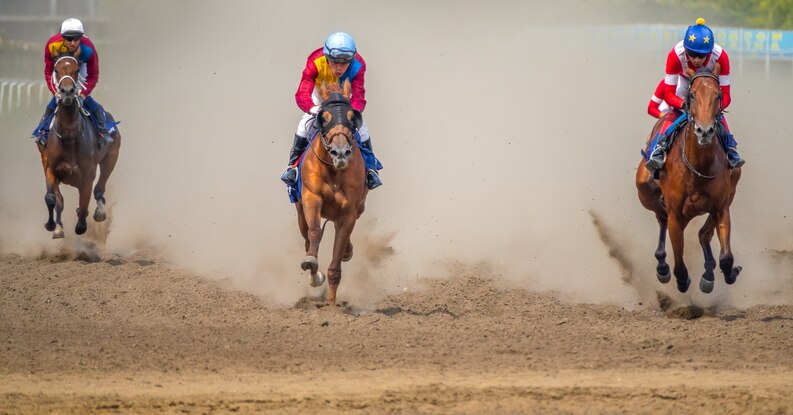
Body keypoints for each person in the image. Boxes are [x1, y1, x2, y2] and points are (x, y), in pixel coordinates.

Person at [280, 32, 382, 190]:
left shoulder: (358, 65)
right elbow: (302, 92)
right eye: (334, 62)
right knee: (304, 124)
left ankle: (371, 170)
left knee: (362, 129)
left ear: (351, 59)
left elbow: (359, 95)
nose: (339, 67)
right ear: (327, 56)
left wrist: (351, 112)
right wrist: (312, 108)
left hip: (344, 97)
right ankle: (292, 168)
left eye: (344, 62)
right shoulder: (315, 61)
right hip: (320, 95)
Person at [645, 18, 745, 171]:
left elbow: (726, 95)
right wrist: (684, 104)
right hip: (684, 80)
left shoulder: (721, 57)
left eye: (702, 56)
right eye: (692, 54)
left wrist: (713, 108)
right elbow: (668, 94)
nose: (696, 60)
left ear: (710, 52)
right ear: (685, 50)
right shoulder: (675, 54)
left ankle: (731, 148)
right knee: (675, 112)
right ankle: (658, 149)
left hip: (710, 84)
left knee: (715, 112)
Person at [32, 18, 110, 146]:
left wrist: (83, 94)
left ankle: (102, 131)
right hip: (61, 67)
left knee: (85, 98)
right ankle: (43, 131)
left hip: (81, 65)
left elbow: (93, 76)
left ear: (82, 37)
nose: (73, 42)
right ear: (62, 37)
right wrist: (55, 92)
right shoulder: (52, 45)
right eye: (68, 39)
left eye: (77, 38)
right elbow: (48, 71)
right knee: (56, 100)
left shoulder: (88, 49)